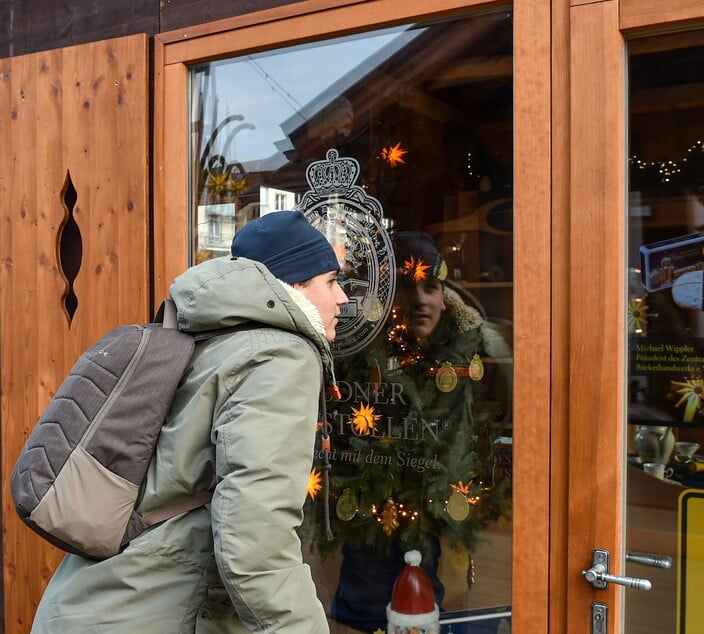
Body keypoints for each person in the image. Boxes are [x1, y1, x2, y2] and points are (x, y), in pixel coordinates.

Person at [32, 210, 348, 633]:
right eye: (330, 281)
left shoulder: (209, 340)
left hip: (94, 602)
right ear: (292, 286)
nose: (343, 297)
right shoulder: (279, 356)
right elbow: (256, 544)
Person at [318, 231, 512, 633]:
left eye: (431, 287)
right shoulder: (354, 355)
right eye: (408, 287)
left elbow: (503, 423)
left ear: (445, 294)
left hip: (458, 516)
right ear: (388, 298)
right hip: (370, 519)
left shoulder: (482, 353)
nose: (421, 300)